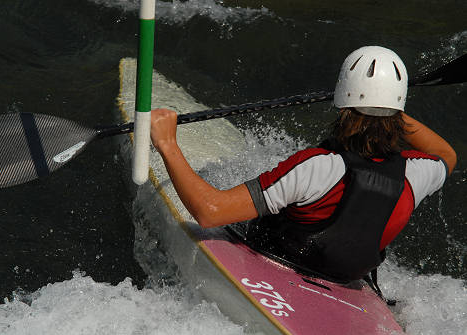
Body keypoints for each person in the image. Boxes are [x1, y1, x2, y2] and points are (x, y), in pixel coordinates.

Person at [149, 46, 457, 283]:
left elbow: (209, 212)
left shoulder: (316, 167)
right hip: (345, 279)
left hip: (283, 260)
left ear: (343, 102)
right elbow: (446, 153)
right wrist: (387, 106)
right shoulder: (417, 173)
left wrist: (167, 143)